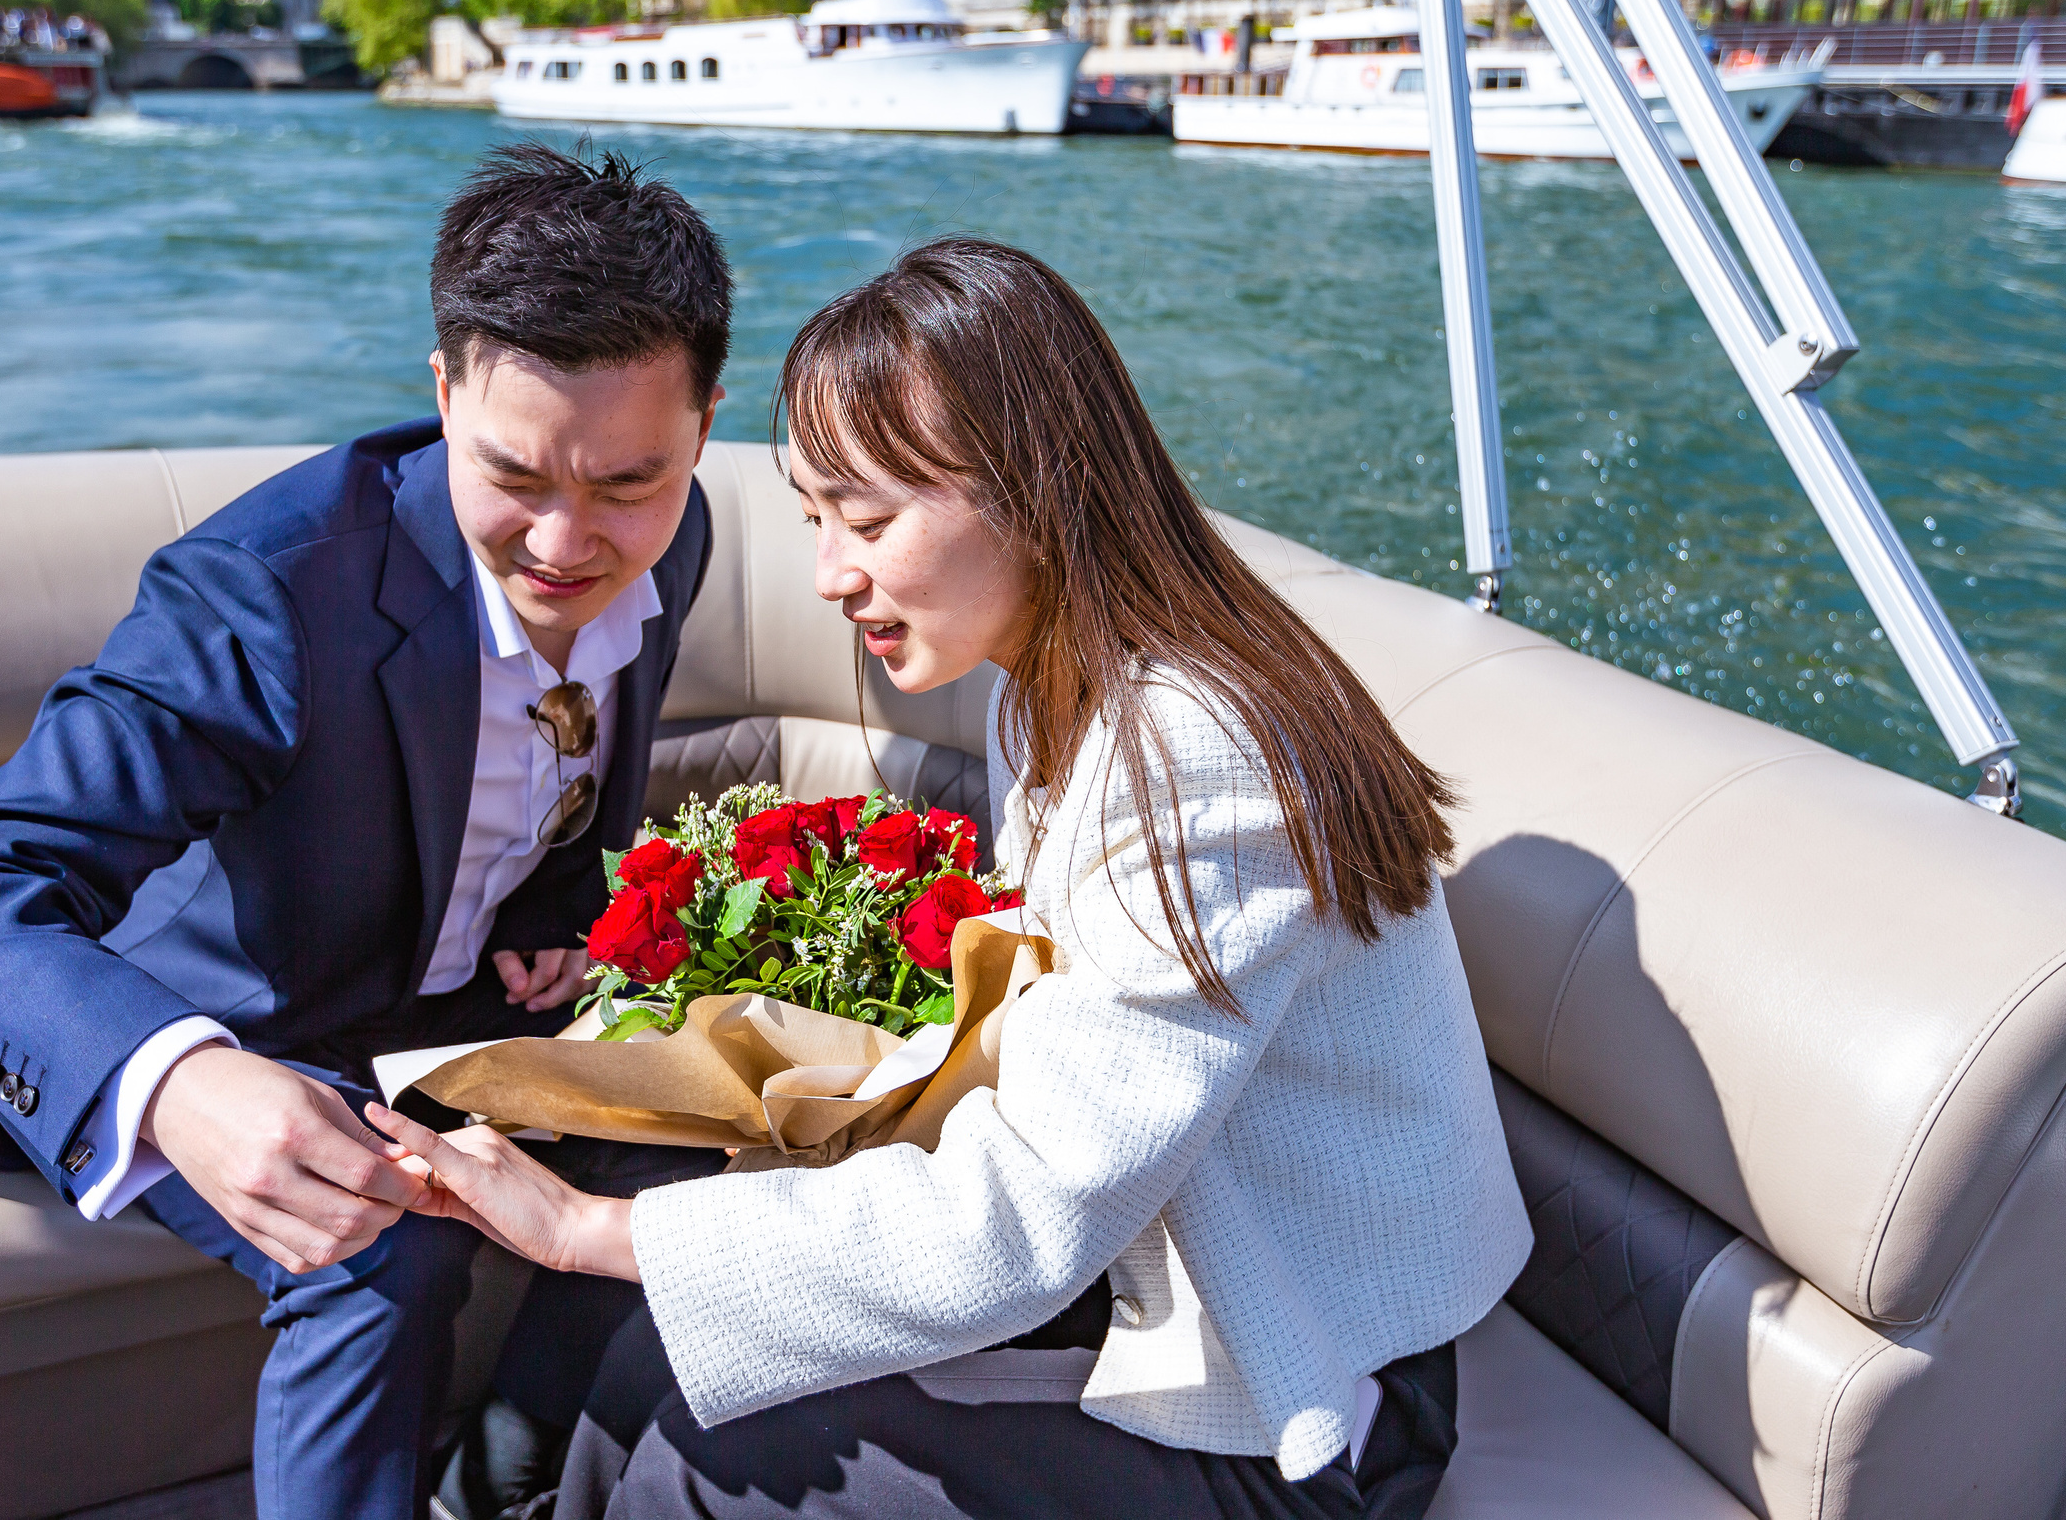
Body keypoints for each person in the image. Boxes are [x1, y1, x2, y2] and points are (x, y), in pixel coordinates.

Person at [370, 235, 1534, 1519]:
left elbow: (1029, 1215)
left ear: (1034, 488)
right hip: (1145, 1276)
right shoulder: (1059, 690)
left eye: (868, 521)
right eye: (815, 521)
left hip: (1296, 1395)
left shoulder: (1199, 758)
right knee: (666, 1315)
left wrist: (577, 1232)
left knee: (707, 1461)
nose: (831, 573)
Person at [0, 143, 734, 1520]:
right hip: (234, 1024)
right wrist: (181, 1082)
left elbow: (553, 761)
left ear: (701, 427)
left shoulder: (677, 537)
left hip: (458, 1018)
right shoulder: (263, 595)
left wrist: (549, 909)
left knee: (712, 1150)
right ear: (443, 393)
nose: (569, 543)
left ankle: (501, 1495)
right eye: (513, 474)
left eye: (628, 482)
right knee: (381, 1247)